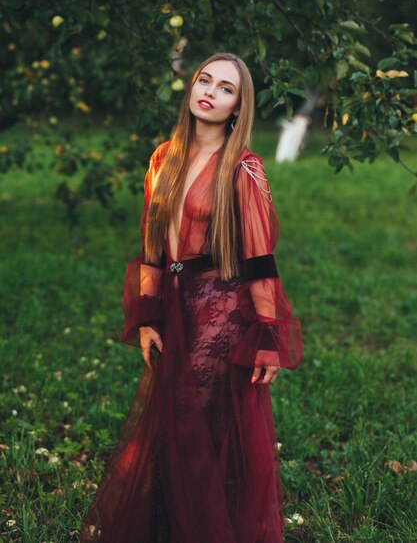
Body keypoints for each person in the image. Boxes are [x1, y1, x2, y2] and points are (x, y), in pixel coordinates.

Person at [80, 52, 303, 543]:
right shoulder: (163, 157)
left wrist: (267, 335)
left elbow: (261, 260)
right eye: (205, 80)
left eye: (226, 89)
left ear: (237, 107)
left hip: (221, 312)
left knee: (203, 428)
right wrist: (145, 315)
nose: (210, 92)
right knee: (168, 430)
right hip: (174, 308)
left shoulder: (243, 167)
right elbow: (151, 249)